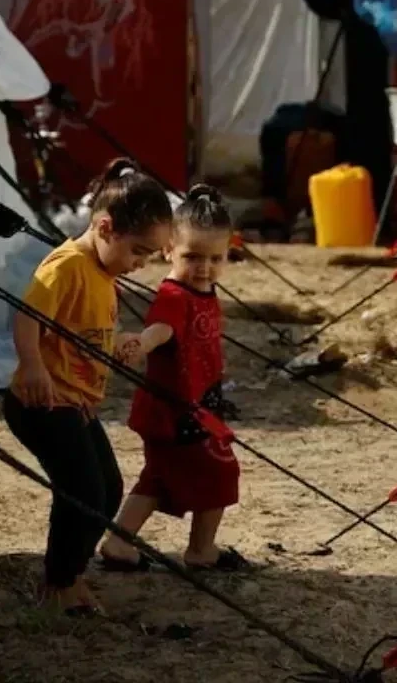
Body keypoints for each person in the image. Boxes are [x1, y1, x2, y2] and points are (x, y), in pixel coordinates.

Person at [2, 158, 173, 616]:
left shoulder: (103, 274)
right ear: (104, 226)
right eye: (138, 251)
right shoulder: (67, 265)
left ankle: (71, 573)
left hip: (75, 403)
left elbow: (80, 330)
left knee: (109, 489)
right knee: (81, 491)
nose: (140, 264)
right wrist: (33, 365)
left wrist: (116, 346)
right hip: (40, 401)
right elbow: (26, 316)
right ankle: (57, 583)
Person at [98, 184, 252, 573]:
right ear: (167, 249)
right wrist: (142, 343)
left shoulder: (202, 288)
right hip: (178, 411)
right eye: (192, 257)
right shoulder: (173, 295)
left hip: (194, 404)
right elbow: (163, 328)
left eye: (215, 258)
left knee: (157, 478)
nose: (204, 267)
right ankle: (202, 551)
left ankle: (118, 542)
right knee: (219, 473)